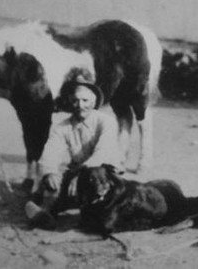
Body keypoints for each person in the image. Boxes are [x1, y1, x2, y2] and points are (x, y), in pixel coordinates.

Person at [25, 77, 124, 229]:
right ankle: (47, 212)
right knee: (52, 181)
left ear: (93, 102)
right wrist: (50, 172)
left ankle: (91, 214)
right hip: (78, 172)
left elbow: (103, 152)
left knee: (95, 178)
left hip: (104, 173)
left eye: (85, 101)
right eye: (75, 101)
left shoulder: (106, 122)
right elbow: (51, 151)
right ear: (70, 103)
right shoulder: (63, 127)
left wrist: (81, 174)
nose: (80, 105)